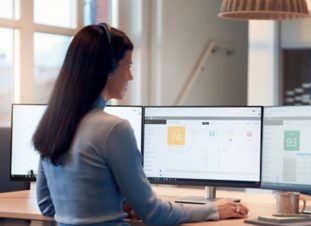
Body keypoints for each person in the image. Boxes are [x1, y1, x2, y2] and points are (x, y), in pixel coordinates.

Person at [33, 23, 249, 226]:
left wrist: (109, 206)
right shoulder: (114, 129)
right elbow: (153, 213)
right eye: (127, 66)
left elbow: (47, 206)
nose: (131, 76)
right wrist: (213, 210)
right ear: (107, 68)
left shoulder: (52, 125)